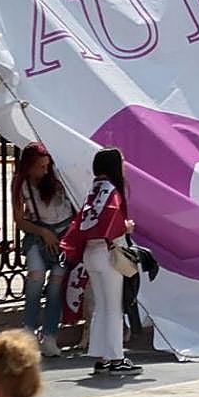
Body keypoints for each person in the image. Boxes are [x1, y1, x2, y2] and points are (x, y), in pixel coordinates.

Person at [60, 147, 141, 377]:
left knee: (102, 307)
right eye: (122, 161)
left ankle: (102, 357)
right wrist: (125, 227)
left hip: (91, 253)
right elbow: (110, 221)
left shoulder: (94, 189)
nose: (124, 165)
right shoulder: (112, 190)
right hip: (108, 253)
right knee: (114, 308)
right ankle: (117, 358)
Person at [11, 142, 74, 358]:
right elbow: (19, 219)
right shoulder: (20, 183)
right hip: (38, 234)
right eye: (40, 166)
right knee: (35, 280)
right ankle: (28, 333)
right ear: (28, 166)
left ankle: (50, 336)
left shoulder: (57, 177)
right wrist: (43, 232)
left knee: (56, 286)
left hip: (64, 234)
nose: (44, 171)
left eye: (47, 166)